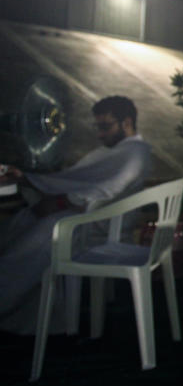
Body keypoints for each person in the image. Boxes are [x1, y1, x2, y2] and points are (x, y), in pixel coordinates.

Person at [0, 95, 152, 334]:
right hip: (83, 218)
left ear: (127, 122)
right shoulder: (113, 151)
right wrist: (29, 180)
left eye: (105, 126)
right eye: (98, 127)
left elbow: (105, 189)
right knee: (21, 226)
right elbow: (77, 178)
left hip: (98, 227)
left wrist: (58, 200)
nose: (100, 134)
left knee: (28, 247)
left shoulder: (136, 152)